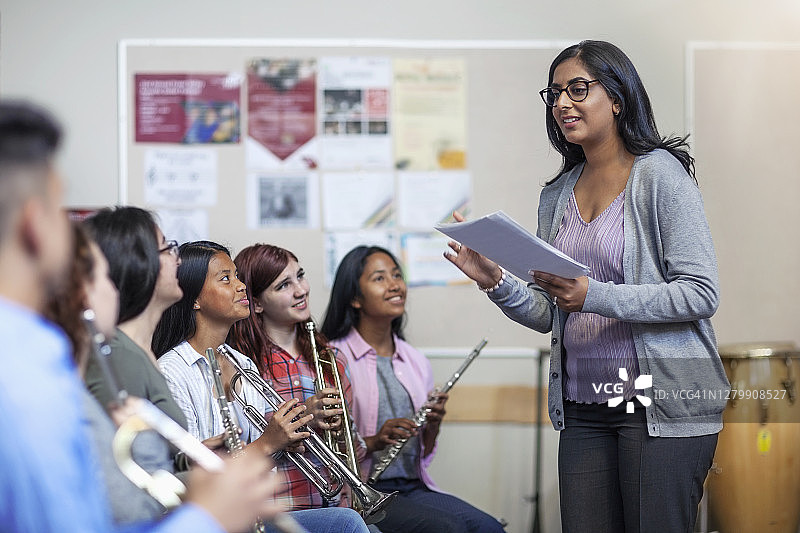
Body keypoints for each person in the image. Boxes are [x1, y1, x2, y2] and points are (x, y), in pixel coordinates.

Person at [443, 40, 729, 533]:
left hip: (657, 404)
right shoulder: (557, 193)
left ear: (617, 98)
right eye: (554, 93)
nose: (562, 104)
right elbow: (549, 310)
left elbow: (700, 292)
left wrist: (593, 294)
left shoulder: (660, 174)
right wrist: (495, 282)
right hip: (582, 406)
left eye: (578, 89)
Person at [0, 99, 277, 532]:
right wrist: (208, 516)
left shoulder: (36, 357)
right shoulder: (23, 374)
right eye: (60, 210)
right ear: (35, 225)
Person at [153, 241, 370, 533]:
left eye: (238, 276)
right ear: (195, 299)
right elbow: (191, 476)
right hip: (207, 521)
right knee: (347, 525)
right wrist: (269, 442)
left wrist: (286, 439)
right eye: (226, 278)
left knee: (347, 521)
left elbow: (260, 463)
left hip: (250, 516)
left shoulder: (243, 364)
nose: (241, 286)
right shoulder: (173, 370)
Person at [321, 245, 505, 533]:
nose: (395, 285)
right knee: (450, 529)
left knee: (489, 528)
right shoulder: (332, 357)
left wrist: (433, 425)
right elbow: (324, 448)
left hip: (411, 486)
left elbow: (424, 452)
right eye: (380, 278)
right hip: (363, 491)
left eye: (397, 275)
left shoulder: (415, 360)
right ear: (355, 298)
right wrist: (373, 441)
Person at [225, 244, 369, 513]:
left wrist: (341, 429)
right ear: (256, 303)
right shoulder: (243, 366)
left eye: (300, 276)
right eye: (283, 286)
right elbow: (238, 454)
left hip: (338, 505)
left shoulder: (332, 357)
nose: (301, 290)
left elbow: (356, 452)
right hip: (279, 511)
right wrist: (305, 417)